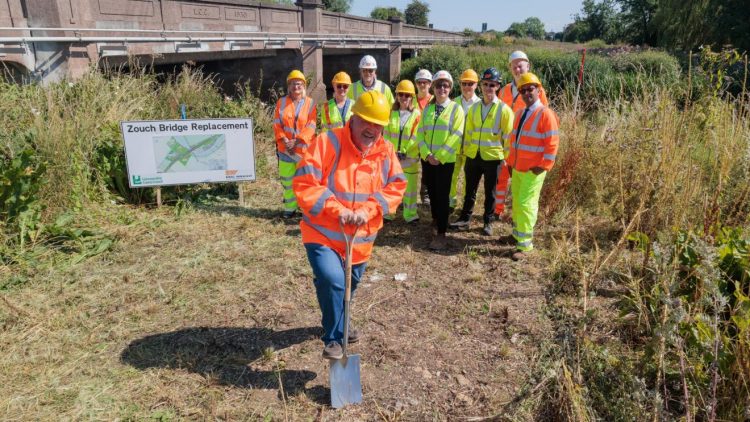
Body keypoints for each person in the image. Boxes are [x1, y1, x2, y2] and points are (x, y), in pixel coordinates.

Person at [293, 90, 407, 359]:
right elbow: (305, 183)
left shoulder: (385, 151)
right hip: (322, 232)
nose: (372, 129)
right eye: (366, 121)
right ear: (353, 118)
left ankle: (340, 321)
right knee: (333, 280)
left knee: (348, 286)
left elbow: (397, 185)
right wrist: (338, 210)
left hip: (360, 240)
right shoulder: (328, 142)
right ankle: (334, 339)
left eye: (378, 124)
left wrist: (369, 209)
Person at [502, 72, 558, 261]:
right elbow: (513, 141)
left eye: (530, 89)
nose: (526, 93)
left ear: (538, 90)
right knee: (517, 202)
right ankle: (517, 235)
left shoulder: (545, 114)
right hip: (517, 168)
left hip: (533, 170)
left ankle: (525, 247)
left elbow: (552, 144)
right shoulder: (520, 113)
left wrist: (543, 166)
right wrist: (510, 163)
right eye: (523, 90)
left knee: (526, 204)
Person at [451, 68, 514, 236]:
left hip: (493, 158)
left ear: (498, 86)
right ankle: (465, 219)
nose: (488, 88)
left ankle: (488, 222)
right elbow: (469, 133)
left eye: (492, 85)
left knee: (490, 193)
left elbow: (508, 138)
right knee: (469, 190)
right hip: (473, 155)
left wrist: (506, 158)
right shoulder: (474, 108)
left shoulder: (504, 110)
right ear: (481, 86)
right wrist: (466, 151)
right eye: (485, 84)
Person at [495, 51, 550, 220]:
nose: (517, 69)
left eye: (521, 65)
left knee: (523, 185)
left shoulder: (536, 89)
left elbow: (544, 117)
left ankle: (518, 216)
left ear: (528, 66)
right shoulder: (504, 90)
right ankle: (497, 210)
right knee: (501, 176)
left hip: (526, 146)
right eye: (514, 66)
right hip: (506, 142)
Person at [416, 70, 465, 251]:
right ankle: (436, 221)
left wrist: (440, 156)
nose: (441, 88)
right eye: (438, 85)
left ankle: (442, 233)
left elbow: (457, 134)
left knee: (443, 196)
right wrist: (427, 154)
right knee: (433, 193)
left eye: (445, 85)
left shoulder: (456, 109)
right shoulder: (428, 109)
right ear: (433, 87)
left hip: (445, 161)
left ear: (450, 88)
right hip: (428, 160)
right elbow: (420, 132)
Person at [274, 69, 316, 218]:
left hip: (302, 150)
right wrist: (285, 140)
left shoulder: (311, 103)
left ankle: (304, 209)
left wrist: (296, 141)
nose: (296, 87)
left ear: (303, 86)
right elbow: (277, 124)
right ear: (288, 86)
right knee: (287, 181)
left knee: (304, 181)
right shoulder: (281, 102)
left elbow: (311, 125)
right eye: (292, 84)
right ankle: (290, 208)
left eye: (298, 84)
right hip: (285, 150)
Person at [383, 80, 421, 223]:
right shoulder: (391, 113)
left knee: (409, 189)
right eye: (401, 95)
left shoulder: (417, 114)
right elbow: (386, 134)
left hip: (409, 157)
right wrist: (393, 152)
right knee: (391, 186)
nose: (404, 98)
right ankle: (388, 213)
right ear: (397, 96)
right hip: (392, 157)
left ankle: (410, 215)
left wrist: (404, 150)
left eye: (407, 95)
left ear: (412, 97)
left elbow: (416, 135)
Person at [449, 69, 481, 210]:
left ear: (476, 85)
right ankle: (450, 202)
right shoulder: (453, 103)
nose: (467, 86)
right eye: (464, 83)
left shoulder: (481, 104)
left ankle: (468, 205)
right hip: (454, 148)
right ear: (460, 84)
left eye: (470, 83)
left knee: (471, 180)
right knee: (451, 177)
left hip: (471, 150)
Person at [414, 68, 433, 206]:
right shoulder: (410, 98)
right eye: (419, 82)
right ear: (416, 84)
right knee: (409, 170)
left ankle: (425, 195)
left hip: (428, 140)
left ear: (430, 84)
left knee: (427, 170)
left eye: (425, 83)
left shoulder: (434, 100)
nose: (422, 85)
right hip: (412, 141)